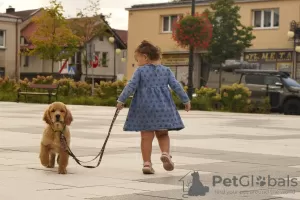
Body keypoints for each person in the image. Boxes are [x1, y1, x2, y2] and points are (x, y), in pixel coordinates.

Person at [116, 40, 191, 174]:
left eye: (137, 59)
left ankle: (147, 164)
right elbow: (176, 86)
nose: (137, 62)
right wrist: (185, 100)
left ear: (145, 57)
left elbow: (131, 86)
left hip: (145, 108)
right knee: (163, 134)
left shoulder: (140, 71)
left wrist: (121, 100)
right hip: (163, 108)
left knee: (146, 137)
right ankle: (165, 154)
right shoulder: (166, 71)